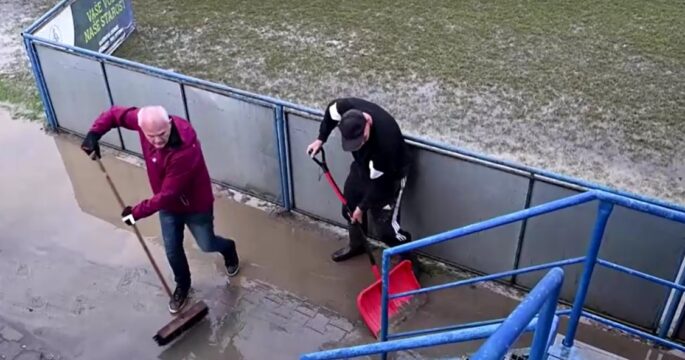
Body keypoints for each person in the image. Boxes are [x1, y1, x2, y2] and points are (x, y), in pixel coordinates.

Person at [80, 105, 240, 314]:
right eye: (151, 136)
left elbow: (168, 195)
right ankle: (183, 286)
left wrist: (135, 213)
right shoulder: (142, 120)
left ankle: (229, 249)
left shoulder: (184, 150)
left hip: (195, 205)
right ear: (141, 128)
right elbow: (114, 115)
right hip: (168, 207)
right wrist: (94, 133)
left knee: (207, 244)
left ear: (170, 124)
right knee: (172, 249)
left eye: (161, 134)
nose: (157, 141)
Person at [306, 97, 413, 262]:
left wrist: (362, 208)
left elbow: (379, 186)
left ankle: (408, 258)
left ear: (368, 122)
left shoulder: (386, 142)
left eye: (361, 140)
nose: (359, 145)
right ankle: (358, 245)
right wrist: (321, 138)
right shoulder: (345, 108)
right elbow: (330, 111)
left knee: (386, 230)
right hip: (364, 165)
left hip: (390, 175)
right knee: (349, 209)